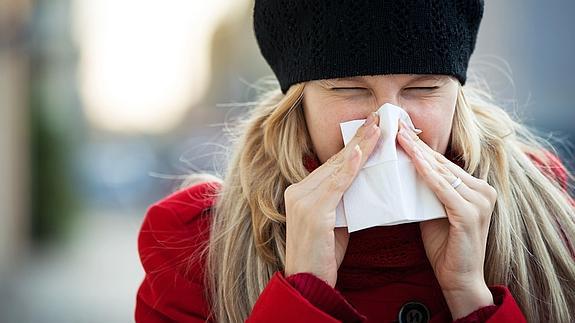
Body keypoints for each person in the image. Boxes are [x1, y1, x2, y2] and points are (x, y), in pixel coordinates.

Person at [135, 1, 575, 322]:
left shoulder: (545, 213)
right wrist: (303, 291)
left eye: (423, 89)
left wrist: (469, 295)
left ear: (455, 95)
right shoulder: (196, 244)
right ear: (299, 102)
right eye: (349, 89)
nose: (386, 124)